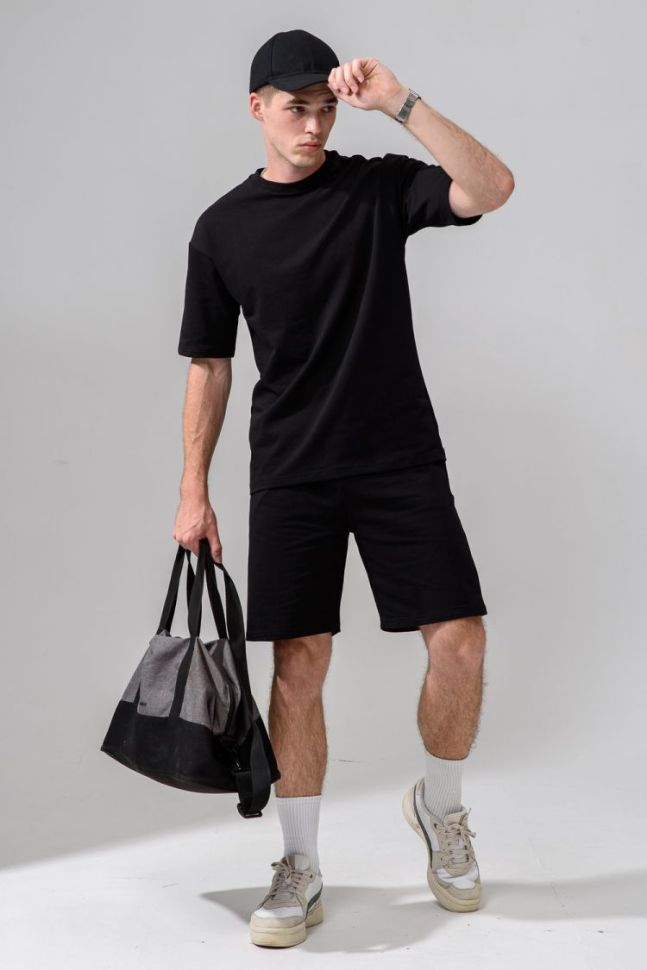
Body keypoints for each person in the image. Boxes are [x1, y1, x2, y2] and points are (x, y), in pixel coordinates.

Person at [173, 28, 514, 948]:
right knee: (299, 664)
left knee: (461, 643)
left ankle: (440, 810)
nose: (314, 125)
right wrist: (192, 489)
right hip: (292, 470)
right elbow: (209, 364)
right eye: (297, 109)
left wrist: (399, 103)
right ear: (257, 109)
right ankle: (299, 862)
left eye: (326, 109)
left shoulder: (375, 187)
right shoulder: (221, 228)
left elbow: (490, 187)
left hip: (400, 458)